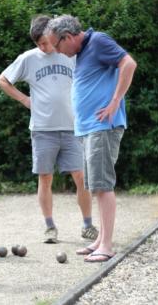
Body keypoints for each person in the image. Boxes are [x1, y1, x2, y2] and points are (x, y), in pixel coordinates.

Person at [0, 15, 98, 244]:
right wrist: (24, 100)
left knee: (81, 177)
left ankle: (88, 224)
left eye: (46, 42)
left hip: (72, 126)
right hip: (42, 128)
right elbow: (2, 80)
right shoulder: (28, 59)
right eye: (39, 44)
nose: (44, 47)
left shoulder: (70, 53)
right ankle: (50, 226)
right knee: (45, 177)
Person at [45, 15, 137, 262]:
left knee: (103, 186)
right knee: (96, 186)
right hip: (89, 129)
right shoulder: (84, 52)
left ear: (68, 37)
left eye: (57, 45)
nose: (57, 51)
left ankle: (106, 246)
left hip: (102, 127)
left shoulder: (98, 41)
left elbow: (128, 64)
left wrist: (115, 101)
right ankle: (100, 239)